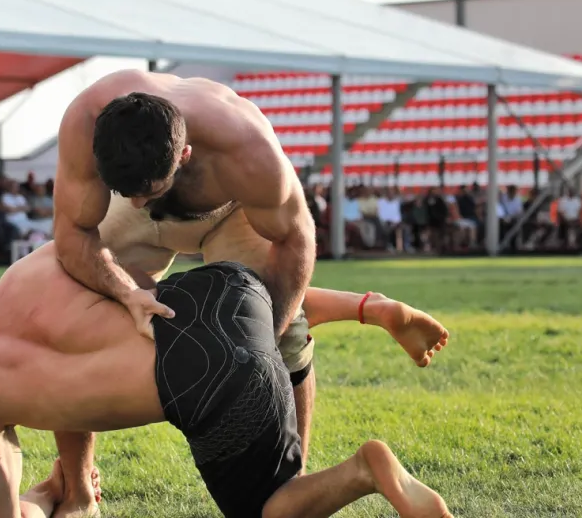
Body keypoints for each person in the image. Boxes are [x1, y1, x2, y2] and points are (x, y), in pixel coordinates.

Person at [47, 71, 412, 514]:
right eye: (126, 191)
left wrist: (265, 341)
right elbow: (72, 235)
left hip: (230, 210)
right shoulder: (87, 118)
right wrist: (126, 292)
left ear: (185, 154)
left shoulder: (247, 150)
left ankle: (292, 485)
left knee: (288, 333)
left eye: (147, 191)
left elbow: (295, 239)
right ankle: (80, 490)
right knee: (68, 304)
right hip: (141, 211)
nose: (138, 202)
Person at [0, 247, 453, 518]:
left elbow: (0, 514)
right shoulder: (34, 267)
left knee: (269, 511)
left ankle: (366, 469)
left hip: (210, 383)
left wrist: (46, 493)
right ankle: (366, 306)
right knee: (242, 307)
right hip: (224, 287)